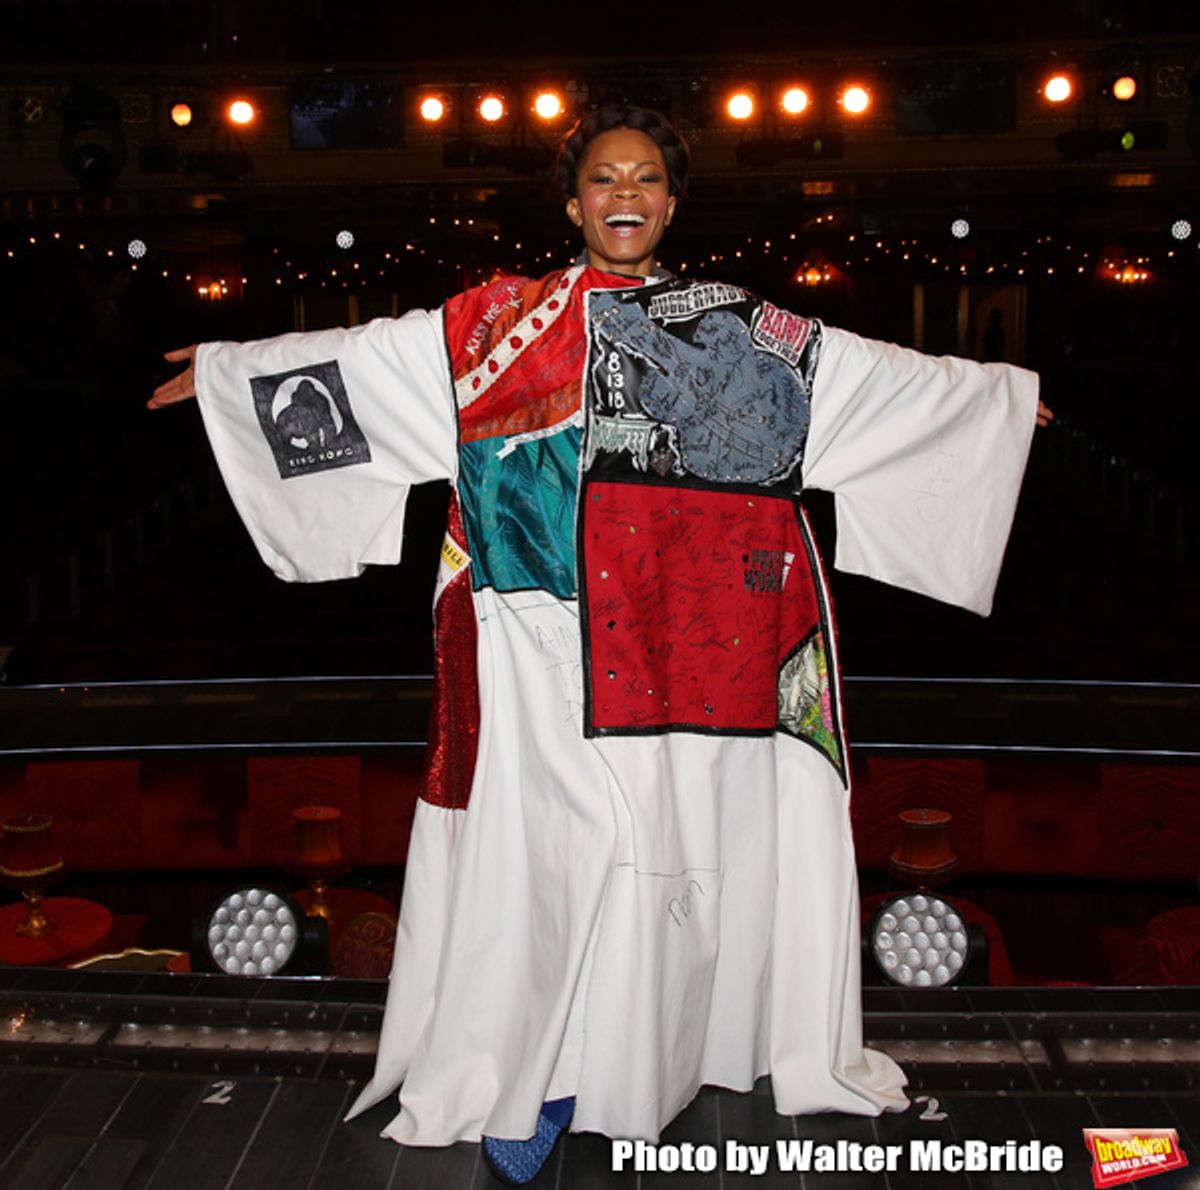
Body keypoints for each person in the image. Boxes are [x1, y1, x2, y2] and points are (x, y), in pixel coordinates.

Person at [150, 104, 1050, 1184]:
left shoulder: (735, 328)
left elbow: (864, 385)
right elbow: (371, 367)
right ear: (574, 204)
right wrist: (230, 379)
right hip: (538, 636)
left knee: (670, 850)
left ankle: (649, 1059)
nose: (625, 192)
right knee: (556, 857)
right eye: (603, 177)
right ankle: (544, 1070)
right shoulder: (494, 325)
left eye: (646, 178)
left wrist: (988, 406)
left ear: (672, 203)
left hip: (696, 649)